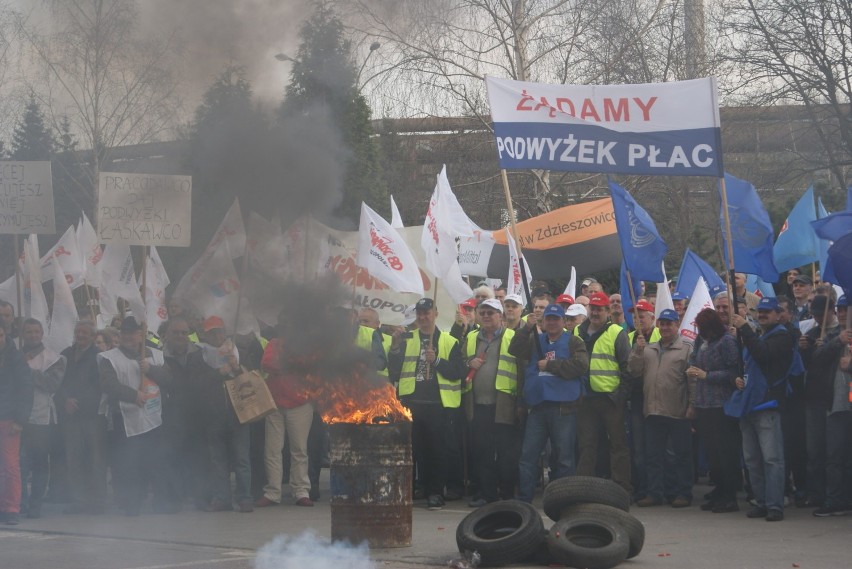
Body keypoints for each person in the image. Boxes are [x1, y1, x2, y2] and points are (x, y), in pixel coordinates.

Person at [388, 298, 466, 511]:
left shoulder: (449, 341)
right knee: (412, 451)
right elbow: (393, 370)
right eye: (420, 314)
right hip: (411, 402)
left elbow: (458, 372)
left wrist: (437, 361)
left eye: (427, 313)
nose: (423, 317)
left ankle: (435, 493)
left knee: (436, 451)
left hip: (437, 405)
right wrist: (394, 348)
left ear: (436, 314)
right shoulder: (406, 338)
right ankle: (411, 490)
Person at [510, 303, 588, 503]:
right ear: (543, 321)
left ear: (563, 321)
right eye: (548, 319)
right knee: (528, 456)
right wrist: (527, 328)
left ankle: (564, 499)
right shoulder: (535, 340)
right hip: (537, 406)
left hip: (564, 407)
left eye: (556, 318)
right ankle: (525, 499)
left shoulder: (574, 342)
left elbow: (581, 365)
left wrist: (551, 365)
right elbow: (514, 349)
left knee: (564, 457)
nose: (552, 322)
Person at [98, 316, 173, 516]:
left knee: (155, 462)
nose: (128, 337)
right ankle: (131, 503)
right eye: (125, 334)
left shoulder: (155, 355)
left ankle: (161, 502)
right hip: (125, 419)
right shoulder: (110, 358)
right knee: (128, 464)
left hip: (153, 417)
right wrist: (133, 395)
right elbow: (108, 384)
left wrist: (151, 370)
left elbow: (168, 379)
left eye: (132, 333)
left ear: (140, 335)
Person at [729, 297, 794, 522]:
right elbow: (747, 364)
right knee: (752, 459)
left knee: (772, 459)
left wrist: (745, 329)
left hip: (768, 405)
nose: (763, 314)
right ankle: (761, 501)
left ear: (778, 314)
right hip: (748, 404)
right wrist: (738, 378)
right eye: (761, 311)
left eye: (768, 311)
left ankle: (775, 505)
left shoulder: (782, 336)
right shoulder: (759, 336)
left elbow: (763, 355)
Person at [628, 309, 695, 507]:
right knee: (653, 456)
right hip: (653, 410)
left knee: (680, 455)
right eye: (662, 323)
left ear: (677, 325)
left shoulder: (686, 349)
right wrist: (637, 351)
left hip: (677, 410)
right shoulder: (649, 349)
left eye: (669, 324)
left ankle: (682, 493)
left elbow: (692, 380)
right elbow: (634, 371)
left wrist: (692, 405)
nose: (665, 327)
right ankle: (654, 493)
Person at [462, 299, 522, 507]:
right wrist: (468, 362)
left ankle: (507, 495)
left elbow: (522, 369)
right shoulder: (470, 337)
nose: (486, 316)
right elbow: (460, 363)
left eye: (491, 313)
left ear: (501, 316)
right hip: (478, 404)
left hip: (504, 404)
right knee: (483, 452)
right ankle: (488, 496)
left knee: (507, 453)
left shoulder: (513, 337)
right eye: (483, 313)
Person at [192, 316, 252, 513]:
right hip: (213, 416)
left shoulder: (237, 351)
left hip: (238, 415)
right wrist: (218, 372)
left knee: (242, 459)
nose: (217, 336)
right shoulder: (199, 355)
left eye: (219, 331)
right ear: (206, 335)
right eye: (212, 332)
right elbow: (197, 384)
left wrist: (236, 368)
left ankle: (244, 498)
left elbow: (249, 380)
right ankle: (222, 498)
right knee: (218, 461)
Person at [574, 292, 633, 495]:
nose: (596, 312)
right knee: (587, 444)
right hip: (585, 399)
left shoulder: (617, 332)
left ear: (608, 311)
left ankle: (622, 488)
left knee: (618, 445)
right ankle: (584, 489)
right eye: (593, 308)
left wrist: (620, 395)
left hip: (610, 399)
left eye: (600, 309)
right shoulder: (577, 332)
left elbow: (628, 367)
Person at [256, 311, 315, 508]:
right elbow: (266, 363)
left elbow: (310, 366)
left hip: (300, 402)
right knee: (272, 450)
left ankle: (300, 490)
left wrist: (283, 365)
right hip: (275, 403)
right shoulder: (274, 343)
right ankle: (273, 492)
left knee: (299, 449)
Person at [799, 295, 852, 514]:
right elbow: (817, 359)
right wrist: (837, 341)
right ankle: (834, 499)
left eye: (845, 310)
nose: (841, 314)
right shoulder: (833, 335)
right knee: (835, 455)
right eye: (839, 310)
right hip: (837, 404)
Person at [687, 308, 740, 513]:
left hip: (721, 404)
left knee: (725, 451)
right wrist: (692, 368)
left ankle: (729, 495)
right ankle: (718, 490)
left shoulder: (726, 341)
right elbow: (694, 359)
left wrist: (706, 375)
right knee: (712, 452)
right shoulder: (701, 341)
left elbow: (733, 372)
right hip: (704, 403)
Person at [54, 320, 107, 515]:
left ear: (93, 337)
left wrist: (81, 402)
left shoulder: (100, 357)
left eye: (85, 333)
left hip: (92, 416)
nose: (81, 336)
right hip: (70, 417)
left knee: (95, 458)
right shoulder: (65, 354)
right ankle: (79, 500)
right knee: (73, 459)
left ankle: (99, 500)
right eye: (78, 332)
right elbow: (57, 382)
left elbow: (100, 386)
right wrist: (65, 400)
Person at [20, 318, 67, 519]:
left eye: (36, 332)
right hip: (19, 416)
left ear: (41, 334)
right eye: (28, 332)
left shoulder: (54, 359)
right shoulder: (14, 355)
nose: (32, 335)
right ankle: (19, 502)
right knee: (19, 463)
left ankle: (35, 504)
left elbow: (51, 385)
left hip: (41, 417)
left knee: (39, 463)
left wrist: (26, 370)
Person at [161, 316, 208, 511]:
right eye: (176, 332)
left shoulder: (200, 354)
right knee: (173, 457)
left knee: (199, 459)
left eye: (184, 332)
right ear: (167, 335)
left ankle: (201, 498)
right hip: (172, 415)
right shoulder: (158, 356)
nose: (181, 336)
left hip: (197, 414)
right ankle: (174, 499)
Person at [626, 300, 660, 503]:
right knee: (638, 449)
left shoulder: (659, 335)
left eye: (642, 315)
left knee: (657, 448)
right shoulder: (629, 337)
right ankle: (642, 488)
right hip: (638, 398)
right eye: (635, 316)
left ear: (652, 317)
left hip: (656, 397)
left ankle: (659, 489)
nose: (638, 320)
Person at [0, 325, 33, 525]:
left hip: (10, 418)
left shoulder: (16, 357)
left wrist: (21, 420)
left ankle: (12, 507)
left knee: (11, 466)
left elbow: (26, 389)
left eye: (0, 335)